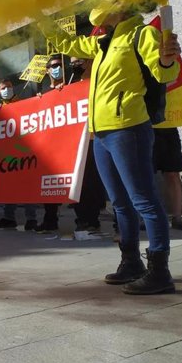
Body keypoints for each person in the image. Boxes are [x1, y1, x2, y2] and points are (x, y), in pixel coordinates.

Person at [44, 0, 182, 295]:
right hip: (100, 133)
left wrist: (168, 59)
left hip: (128, 128)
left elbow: (164, 73)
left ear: (122, 7)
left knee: (143, 199)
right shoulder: (102, 41)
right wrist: (41, 20)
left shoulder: (142, 34)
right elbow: (68, 43)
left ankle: (160, 271)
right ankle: (131, 262)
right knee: (119, 202)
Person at [0, 79, 38, 230]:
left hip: (23, 151)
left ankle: (31, 219)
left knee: (26, 186)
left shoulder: (22, 103)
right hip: (6, 153)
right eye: (3, 88)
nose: (6, 90)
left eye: (9, 87)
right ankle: (8, 217)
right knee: (9, 187)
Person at [69, 57, 107, 235]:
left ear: (90, 61)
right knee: (80, 184)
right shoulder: (71, 84)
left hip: (96, 138)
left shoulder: (100, 77)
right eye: (73, 63)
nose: (76, 66)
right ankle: (84, 220)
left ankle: (97, 220)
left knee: (95, 182)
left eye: (79, 62)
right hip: (76, 141)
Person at [34, 54, 66, 233]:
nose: (56, 68)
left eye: (59, 65)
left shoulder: (71, 85)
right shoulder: (44, 94)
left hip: (70, 144)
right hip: (51, 147)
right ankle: (50, 219)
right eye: (53, 66)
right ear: (47, 71)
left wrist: (67, 90)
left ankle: (87, 221)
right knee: (50, 185)